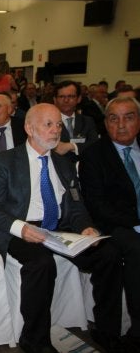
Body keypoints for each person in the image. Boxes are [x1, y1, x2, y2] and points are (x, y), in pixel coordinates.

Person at [0, 103, 124, 353]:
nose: (55, 130)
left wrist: (86, 228)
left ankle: (106, 331)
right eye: (48, 124)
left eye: (58, 124)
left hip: (60, 228)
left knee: (108, 253)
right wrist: (22, 228)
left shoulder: (64, 164)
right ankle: (35, 340)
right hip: (21, 230)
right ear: (29, 127)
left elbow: (77, 207)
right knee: (41, 263)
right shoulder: (3, 162)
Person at [79, 95, 140, 351]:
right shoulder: (94, 155)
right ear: (105, 123)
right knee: (135, 249)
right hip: (117, 223)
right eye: (114, 119)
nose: (121, 125)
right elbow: (97, 205)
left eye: (129, 117)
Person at [52, 80, 98, 161]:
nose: (66, 100)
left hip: (84, 167)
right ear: (55, 100)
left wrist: (72, 146)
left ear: (79, 99)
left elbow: (94, 144)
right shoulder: (47, 122)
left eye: (71, 96)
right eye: (61, 97)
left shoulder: (87, 121)